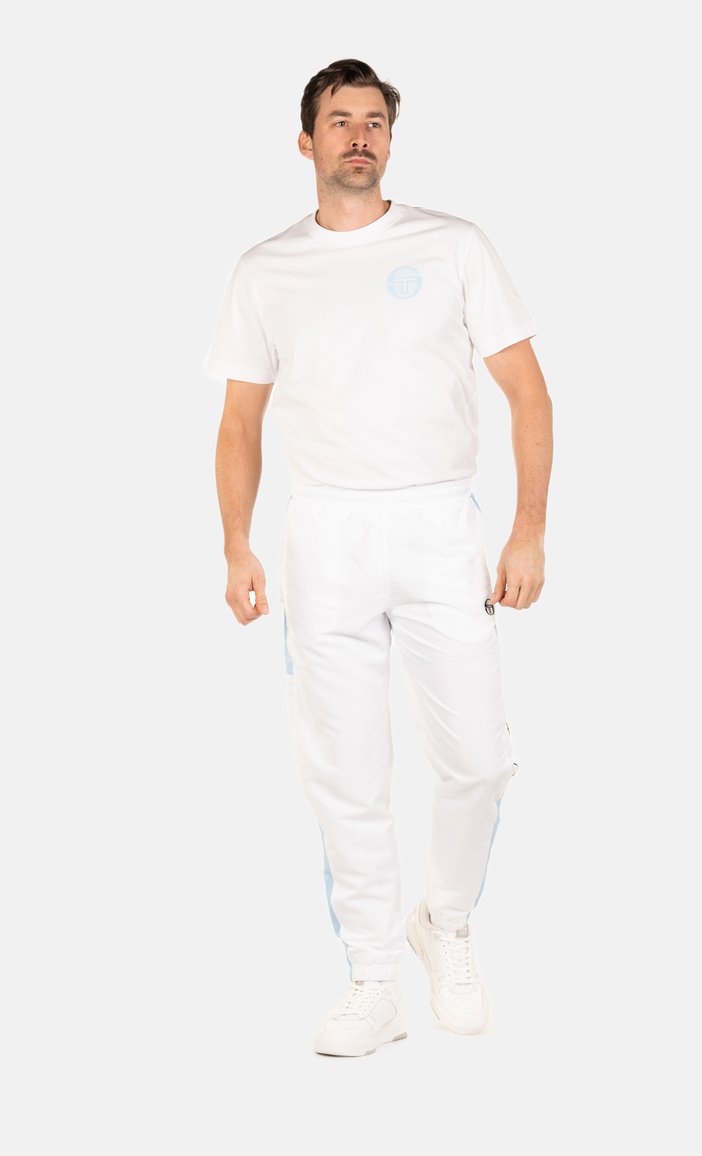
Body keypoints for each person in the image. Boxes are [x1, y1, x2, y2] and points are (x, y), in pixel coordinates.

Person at [204, 57, 553, 1058]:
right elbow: (240, 422)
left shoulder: (452, 245)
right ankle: (372, 977)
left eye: (374, 121)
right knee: (345, 766)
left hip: (438, 523)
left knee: (478, 757)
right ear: (305, 140)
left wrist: (527, 529)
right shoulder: (266, 268)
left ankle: (445, 919)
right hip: (325, 535)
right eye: (338, 120)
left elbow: (527, 393)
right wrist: (236, 544)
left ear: (390, 141)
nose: (358, 135)